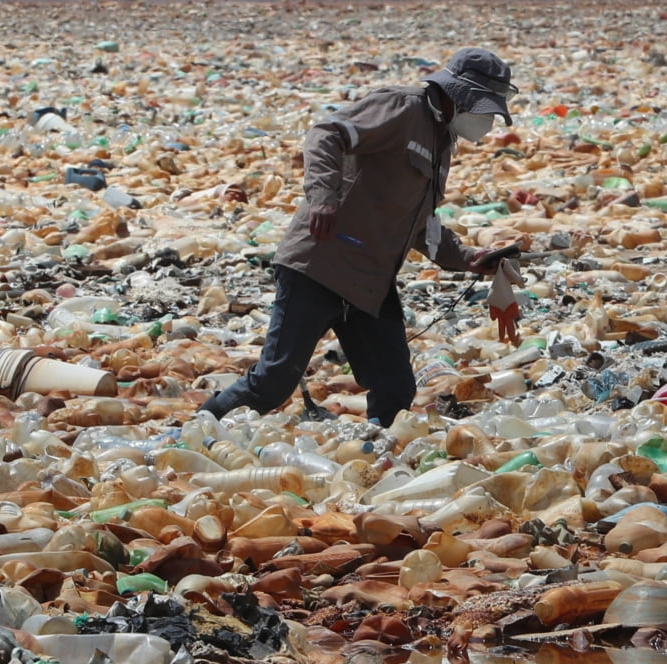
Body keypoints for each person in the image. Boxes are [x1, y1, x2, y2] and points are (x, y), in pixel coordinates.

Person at [198, 47, 517, 426]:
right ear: (460, 96)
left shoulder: (442, 141)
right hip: (320, 265)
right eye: (484, 108)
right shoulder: (401, 107)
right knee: (274, 380)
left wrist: (467, 258)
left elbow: (421, 224)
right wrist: (322, 198)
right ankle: (198, 428)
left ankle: (378, 458)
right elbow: (327, 134)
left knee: (396, 386)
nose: (487, 120)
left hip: (370, 283)